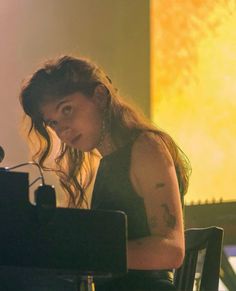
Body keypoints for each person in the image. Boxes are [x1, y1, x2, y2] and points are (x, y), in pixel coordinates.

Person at [18, 55, 191, 291]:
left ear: (99, 96)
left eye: (67, 109)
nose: (63, 130)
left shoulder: (147, 148)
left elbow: (171, 251)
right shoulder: (109, 161)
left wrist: (84, 250)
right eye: (54, 123)